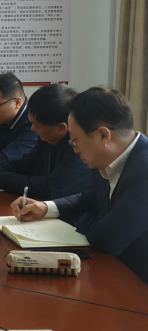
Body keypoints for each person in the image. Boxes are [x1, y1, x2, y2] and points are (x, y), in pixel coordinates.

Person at [12, 87, 148, 284]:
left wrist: (82, 220)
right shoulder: (107, 158)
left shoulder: (144, 170)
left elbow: (106, 239)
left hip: (138, 286)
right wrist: (47, 208)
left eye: (75, 140)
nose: (74, 149)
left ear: (103, 136)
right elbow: (88, 199)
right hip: (114, 272)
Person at [0, 84, 92, 199]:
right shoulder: (48, 138)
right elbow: (22, 165)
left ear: (61, 128)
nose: (32, 129)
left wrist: (0, 179)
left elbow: (52, 189)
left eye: (37, 125)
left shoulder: (79, 148)